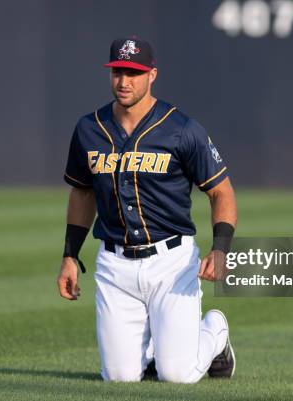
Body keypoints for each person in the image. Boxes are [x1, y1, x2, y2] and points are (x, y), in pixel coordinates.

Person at [57, 37, 237, 383]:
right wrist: (69, 255)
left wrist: (220, 248)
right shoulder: (88, 129)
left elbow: (221, 192)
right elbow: (82, 193)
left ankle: (214, 331)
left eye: (134, 73)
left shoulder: (181, 128)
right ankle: (158, 345)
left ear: (152, 75)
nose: (124, 82)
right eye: (118, 72)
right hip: (115, 264)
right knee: (120, 378)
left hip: (171, 263)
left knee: (178, 374)